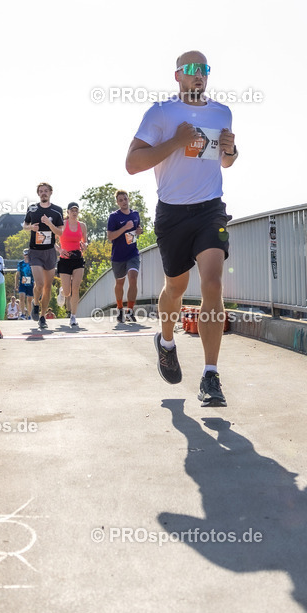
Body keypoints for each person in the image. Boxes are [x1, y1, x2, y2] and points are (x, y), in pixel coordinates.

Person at [125, 50, 238, 407]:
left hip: (210, 210)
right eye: (191, 70)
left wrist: (232, 152)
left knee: (213, 283)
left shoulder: (222, 112)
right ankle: (167, 342)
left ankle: (210, 375)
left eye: (204, 69)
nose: (198, 75)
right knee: (176, 286)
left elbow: (225, 161)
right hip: (173, 213)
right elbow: (132, 164)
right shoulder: (161, 112)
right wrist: (176, 140)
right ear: (177, 76)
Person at [23, 182, 64, 330]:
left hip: (50, 252)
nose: (43, 193)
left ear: (51, 192)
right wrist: (31, 228)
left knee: (47, 287)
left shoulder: (57, 210)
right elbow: (24, 225)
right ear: (38, 193)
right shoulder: (33, 208)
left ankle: (42, 316)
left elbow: (60, 233)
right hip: (35, 251)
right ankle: (35, 303)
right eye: (41, 191)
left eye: (46, 191)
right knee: (39, 284)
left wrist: (49, 224)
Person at [106, 189, 142, 323]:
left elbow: (138, 229)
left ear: (128, 199)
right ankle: (120, 308)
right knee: (119, 283)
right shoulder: (114, 217)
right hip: (118, 255)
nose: (124, 202)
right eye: (120, 200)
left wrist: (139, 231)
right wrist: (124, 228)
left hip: (132, 253)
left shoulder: (135, 214)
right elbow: (110, 236)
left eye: (125, 199)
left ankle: (130, 311)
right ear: (117, 202)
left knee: (133, 278)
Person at [55, 201, 87, 326]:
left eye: (76, 210)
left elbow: (85, 241)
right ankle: (62, 291)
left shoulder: (82, 226)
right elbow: (52, 240)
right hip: (64, 259)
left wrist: (85, 245)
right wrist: (59, 249)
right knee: (68, 292)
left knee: (76, 288)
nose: (74, 212)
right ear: (67, 212)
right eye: (72, 210)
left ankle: (73, 316)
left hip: (78, 258)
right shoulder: (62, 224)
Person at [17, 250, 34, 315]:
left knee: (29, 300)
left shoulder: (32, 263)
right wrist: (16, 284)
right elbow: (17, 274)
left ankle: (29, 314)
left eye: (27, 255)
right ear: (23, 255)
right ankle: (22, 313)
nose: (26, 256)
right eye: (25, 255)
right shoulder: (20, 263)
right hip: (22, 282)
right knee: (21, 297)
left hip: (30, 283)